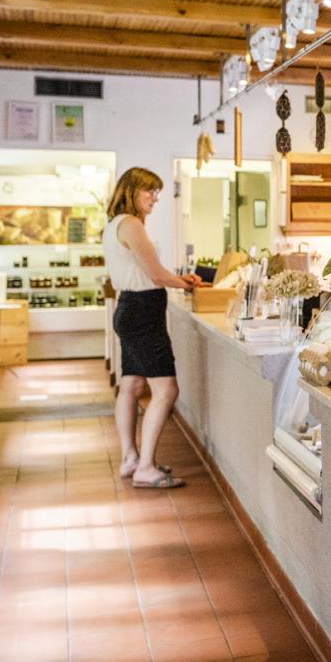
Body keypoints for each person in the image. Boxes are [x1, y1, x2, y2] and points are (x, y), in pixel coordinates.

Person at [104, 167, 204, 489]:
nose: (155, 198)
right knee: (166, 389)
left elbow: (149, 272)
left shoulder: (114, 225)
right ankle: (146, 467)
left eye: (157, 192)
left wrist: (176, 280)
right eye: (150, 191)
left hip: (129, 309)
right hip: (143, 313)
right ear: (132, 190)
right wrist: (185, 283)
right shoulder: (131, 224)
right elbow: (156, 275)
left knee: (131, 385)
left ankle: (131, 458)